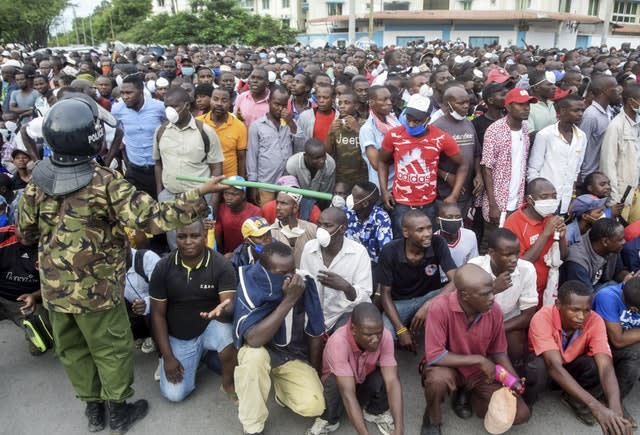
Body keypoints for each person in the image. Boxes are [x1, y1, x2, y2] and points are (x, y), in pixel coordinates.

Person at [17, 95, 230, 433]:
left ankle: (93, 410)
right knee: (111, 349)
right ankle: (117, 410)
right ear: (92, 138)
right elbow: (153, 218)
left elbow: (25, 232)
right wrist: (200, 191)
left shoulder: (38, 181)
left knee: (73, 351)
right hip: (98, 292)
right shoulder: (105, 182)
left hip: (55, 290)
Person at [420, 264, 530, 435]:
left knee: (520, 414)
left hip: (478, 373)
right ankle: (432, 416)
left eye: (492, 291)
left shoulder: (494, 311)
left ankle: (468, 394)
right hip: (448, 367)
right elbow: (435, 356)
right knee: (437, 381)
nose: (492, 298)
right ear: (465, 295)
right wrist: (479, 360)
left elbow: (498, 351)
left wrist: (513, 378)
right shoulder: (439, 308)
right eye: (485, 294)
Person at [233, 242, 326, 435]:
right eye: (281, 273)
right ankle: (253, 425)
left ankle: (282, 392)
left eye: (292, 270)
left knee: (314, 406)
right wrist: (289, 300)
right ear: (264, 270)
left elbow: (315, 331)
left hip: (290, 354)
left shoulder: (303, 283)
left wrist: (314, 371)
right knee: (253, 360)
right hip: (260, 349)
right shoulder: (251, 282)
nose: (290, 277)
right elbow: (253, 339)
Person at [527, 280, 632, 434]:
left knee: (595, 365)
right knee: (537, 368)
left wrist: (616, 412)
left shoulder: (595, 320)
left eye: (586, 310)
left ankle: (573, 399)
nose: (581, 316)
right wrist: (596, 407)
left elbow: (606, 367)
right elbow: (553, 366)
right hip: (548, 367)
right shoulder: (542, 317)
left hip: (568, 365)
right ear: (558, 304)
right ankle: (526, 401)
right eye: (575, 310)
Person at [150, 221, 238, 403]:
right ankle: (195, 355)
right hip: (180, 335)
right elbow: (157, 315)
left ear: (205, 237)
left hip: (210, 324)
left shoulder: (221, 265)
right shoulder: (163, 267)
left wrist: (222, 311)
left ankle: (228, 383)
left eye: (195, 236)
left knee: (229, 336)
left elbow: (228, 305)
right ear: (176, 238)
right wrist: (168, 358)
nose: (188, 241)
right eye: (182, 237)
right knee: (174, 395)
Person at [306, 303, 403, 435]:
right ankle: (329, 419)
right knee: (334, 381)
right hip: (340, 388)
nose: (375, 340)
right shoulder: (338, 342)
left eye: (378, 333)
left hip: (361, 379)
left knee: (389, 371)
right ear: (353, 329)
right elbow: (348, 395)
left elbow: (392, 382)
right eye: (368, 335)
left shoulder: (385, 336)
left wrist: (399, 428)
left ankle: (375, 411)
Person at [378, 93, 468, 237]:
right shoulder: (394, 135)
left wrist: (454, 195)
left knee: (426, 243)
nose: (412, 124)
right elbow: (382, 161)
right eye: (409, 119)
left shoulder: (441, 137)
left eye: (417, 121)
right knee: (401, 244)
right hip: (400, 204)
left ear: (428, 119)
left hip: (428, 205)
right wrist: (384, 191)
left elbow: (463, 164)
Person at [154, 86, 224, 250]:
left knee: (198, 242)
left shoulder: (205, 132)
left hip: (198, 199)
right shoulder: (161, 131)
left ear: (186, 105)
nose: (170, 111)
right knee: (175, 241)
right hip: (170, 197)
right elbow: (158, 163)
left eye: (175, 106)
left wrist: (212, 203)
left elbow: (216, 168)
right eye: (167, 107)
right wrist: (160, 192)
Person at [377, 210, 457, 352]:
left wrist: (429, 304)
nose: (427, 233)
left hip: (431, 295)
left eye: (429, 228)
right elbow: (385, 294)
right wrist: (401, 330)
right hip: (401, 302)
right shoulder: (390, 251)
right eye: (420, 230)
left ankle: (444, 341)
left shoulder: (438, 242)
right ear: (406, 233)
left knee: (456, 297)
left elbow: (456, 279)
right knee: (386, 335)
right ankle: (406, 330)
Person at [468, 228, 537, 373]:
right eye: (508, 255)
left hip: (506, 323)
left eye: (517, 253)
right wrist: (493, 289)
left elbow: (528, 315)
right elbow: (465, 306)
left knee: (516, 341)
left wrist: (496, 331)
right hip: (476, 320)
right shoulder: (475, 267)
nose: (514, 259)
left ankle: (515, 379)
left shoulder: (526, 269)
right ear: (492, 253)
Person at [300, 208, 373, 332]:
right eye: (319, 224)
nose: (321, 230)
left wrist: (346, 287)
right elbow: (304, 283)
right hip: (313, 313)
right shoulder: (309, 248)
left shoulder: (359, 252)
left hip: (343, 315)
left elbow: (365, 295)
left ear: (342, 229)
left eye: (327, 225)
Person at [481, 88, 536, 238]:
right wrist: (493, 204)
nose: (526, 108)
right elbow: (487, 168)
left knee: (512, 242)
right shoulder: (494, 130)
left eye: (528, 105)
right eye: (521, 104)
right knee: (492, 243)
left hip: (517, 201)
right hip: (498, 201)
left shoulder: (525, 129)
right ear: (508, 106)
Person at [504, 178, 567, 306]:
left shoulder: (551, 217)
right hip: (524, 291)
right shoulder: (514, 222)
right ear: (530, 200)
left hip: (548, 287)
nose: (551, 201)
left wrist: (561, 237)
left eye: (554, 196)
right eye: (544, 197)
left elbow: (563, 256)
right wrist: (545, 234)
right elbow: (521, 264)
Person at [527, 94, 587, 214]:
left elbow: (576, 171)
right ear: (562, 111)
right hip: (544, 200)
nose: (580, 114)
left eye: (582, 110)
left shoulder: (581, 136)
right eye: (576, 110)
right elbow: (533, 169)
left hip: (565, 199)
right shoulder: (545, 135)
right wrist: (539, 198)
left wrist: (572, 197)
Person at [246, 85, 305, 206]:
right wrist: (253, 185)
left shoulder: (290, 123)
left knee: (284, 214)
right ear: (268, 102)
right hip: (265, 182)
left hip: (287, 181)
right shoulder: (257, 126)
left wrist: (290, 122)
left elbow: (300, 147)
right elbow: (252, 156)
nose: (280, 109)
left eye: (284, 105)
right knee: (266, 214)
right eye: (276, 104)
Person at [593, 277, 640, 422]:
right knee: (635, 353)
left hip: (629, 339)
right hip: (602, 346)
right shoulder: (607, 297)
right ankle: (612, 400)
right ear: (634, 309)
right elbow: (617, 340)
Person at [111, 74, 166, 198]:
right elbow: (118, 134)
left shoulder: (159, 107)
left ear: (141, 92)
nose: (125, 97)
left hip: (159, 169)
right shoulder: (117, 110)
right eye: (122, 93)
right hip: (134, 169)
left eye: (129, 93)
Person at [432, 86, 483, 218]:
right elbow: (428, 161)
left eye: (467, 102)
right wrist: (446, 176)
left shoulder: (468, 123)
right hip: (445, 192)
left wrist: (478, 174)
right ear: (448, 104)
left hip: (467, 190)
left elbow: (476, 153)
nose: (466, 106)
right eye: (461, 103)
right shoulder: (437, 127)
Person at [561, 218, 630, 292]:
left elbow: (618, 271)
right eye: (620, 239)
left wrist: (630, 279)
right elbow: (585, 297)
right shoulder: (577, 261)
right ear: (605, 242)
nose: (624, 242)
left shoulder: (613, 248)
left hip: (600, 287)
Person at [600, 83, 640, 205]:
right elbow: (608, 163)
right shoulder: (615, 126)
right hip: (623, 192)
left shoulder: (638, 122)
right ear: (631, 102)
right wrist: (613, 198)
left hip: (636, 190)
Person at [197, 87, 248, 178]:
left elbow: (241, 158)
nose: (219, 104)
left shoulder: (239, 126)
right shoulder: (198, 123)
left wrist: (240, 183)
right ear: (210, 100)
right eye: (215, 99)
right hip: (203, 178)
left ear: (230, 103)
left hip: (229, 180)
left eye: (224, 100)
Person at [345, 181, 392, 270]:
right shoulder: (346, 213)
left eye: (354, 197)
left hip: (371, 265)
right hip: (348, 261)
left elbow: (385, 250)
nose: (349, 198)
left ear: (365, 203)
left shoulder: (381, 218)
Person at [579, 75, 620, 180]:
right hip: (591, 174)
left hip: (604, 171)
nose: (618, 90)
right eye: (614, 88)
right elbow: (581, 145)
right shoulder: (591, 115)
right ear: (604, 91)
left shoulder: (610, 111)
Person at [359, 86, 398, 190]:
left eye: (389, 98)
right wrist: (398, 151)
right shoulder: (367, 129)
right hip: (383, 189)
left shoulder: (394, 121)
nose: (389, 102)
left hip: (399, 186)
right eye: (384, 100)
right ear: (371, 102)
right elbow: (376, 163)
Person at [327, 91, 368, 188]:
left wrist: (358, 129)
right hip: (341, 177)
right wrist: (329, 133)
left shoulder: (366, 124)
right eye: (340, 103)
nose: (342, 106)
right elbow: (328, 152)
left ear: (356, 105)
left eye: (346, 103)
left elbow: (370, 149)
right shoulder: (336, 124)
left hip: (362, 176)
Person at [215, 176, 263, 254]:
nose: (229, 198)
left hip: (246, 256)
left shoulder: (255, 212)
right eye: (226, 193)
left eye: (234, 194)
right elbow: (218, 237)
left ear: (243, 194)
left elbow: (257, 242)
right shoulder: (221, 208)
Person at [271, 190, 317, 267]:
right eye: (277, 203)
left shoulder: (312, 229)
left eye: (283, 203)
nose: (278, 207)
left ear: (295, 208)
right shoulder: (270, 232)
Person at [435, 202, 478, 268]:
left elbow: (474, 263)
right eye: (449, 217)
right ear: (438, 220)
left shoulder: (470, 235)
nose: (454, 220)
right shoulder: (433, 241)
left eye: (458, 217)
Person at [526, 70, 558, 138]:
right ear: (536, 88)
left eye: (554, 84)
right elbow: (529, 134)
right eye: (549, 84)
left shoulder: (552, 104)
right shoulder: (528, 107)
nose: (555, 87)